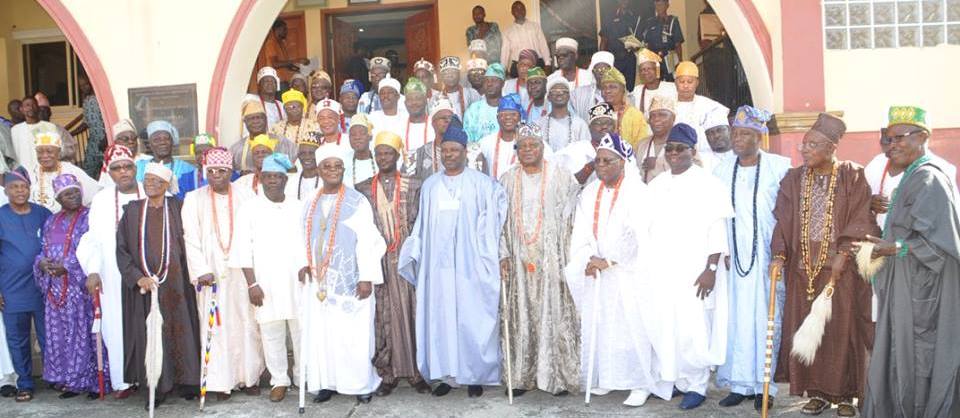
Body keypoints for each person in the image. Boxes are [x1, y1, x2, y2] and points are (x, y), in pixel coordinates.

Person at [770, 113, 878, 417]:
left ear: (832, 147)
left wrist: (844, 253)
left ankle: (846, 395)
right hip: (803, 269)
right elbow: (782, 221)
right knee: (807, 329)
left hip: (841, 270)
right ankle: (816, 393)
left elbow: (861, 218)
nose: (803, 150)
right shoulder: (793, 179)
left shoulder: (852, 175)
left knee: (841, 330)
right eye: (803, 145)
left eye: (812, 145)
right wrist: (778, 254)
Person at [857, 106, 960, 418]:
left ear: (923, 137)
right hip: (908, 287)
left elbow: (942, 244)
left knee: (919, 360)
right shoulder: (912, 175)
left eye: (899, 138)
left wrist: (894, 249)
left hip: (924, 294)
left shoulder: (929, 179)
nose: (891, 146)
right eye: (888, 139)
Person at [398, 114, 507, 398]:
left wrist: (492, 255)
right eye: (445, 151)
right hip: (439, 269)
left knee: (471, 318)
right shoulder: (431, 186)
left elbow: (496, 215)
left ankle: (474, 376)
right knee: (441, 319)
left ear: (464, 152)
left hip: (471, 267)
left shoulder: (482, 184)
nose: (449, 155)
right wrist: (414, 254)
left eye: (455, 150)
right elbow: (421, 225)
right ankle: (445, 374)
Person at [565, 133, 672, 406]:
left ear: (622, 163)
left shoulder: (638, 192)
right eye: (598, 160)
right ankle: (610, 378)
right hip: (598, 272)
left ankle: (640, 382)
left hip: (630, 273)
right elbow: (581, 230)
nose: (600, 165)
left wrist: (611, 260)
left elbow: (640, 234)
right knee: (602, 326)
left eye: (606, 161)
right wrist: (589, 257)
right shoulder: (589, 193)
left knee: (633, 326)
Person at [646, 123, 732, 410]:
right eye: (669, 148)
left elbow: (717, 228)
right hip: (663, 269)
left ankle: (696, 385)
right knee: (666, 324)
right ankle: (673, 380)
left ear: (692, 151)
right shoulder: (657, 184)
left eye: (679, 148)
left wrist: (711, 269)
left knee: (694, 327)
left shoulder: (708, 184)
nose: (673, 153)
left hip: (696, 270)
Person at [713, 106, 792, 411]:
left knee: (765, 318)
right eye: (735, 133)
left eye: (746, 133)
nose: (738, 139)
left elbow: (787, 215)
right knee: (735, 319)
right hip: (733, 258)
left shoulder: (780, 168)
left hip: (767, 257)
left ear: (761, 137)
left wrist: (781, 253)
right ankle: (740, 382)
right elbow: (715, 214)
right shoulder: (721, 168)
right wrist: (722, 251)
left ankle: (764, 385)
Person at [301, 145, 386, 404]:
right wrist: (302, 264)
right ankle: (327, 383)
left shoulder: (356, 201)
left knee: (354, 336)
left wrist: (366, 277)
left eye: (338, 166)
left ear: (343, 169)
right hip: (320, 283)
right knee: (323, 336)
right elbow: (300, 239)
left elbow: (369, 240)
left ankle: (360, 384)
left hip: (351, 281)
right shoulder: (308, 203)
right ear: (318, 170)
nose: (333, 171)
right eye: (327, 166)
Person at [499, 124, 580, 396]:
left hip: (551, 256)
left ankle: (554, 377)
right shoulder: (507, 179)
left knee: (552, 313)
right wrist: (504, 254)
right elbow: (500, 222)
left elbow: (571, 217)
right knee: (520, 315)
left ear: (543, 148)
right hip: (519, 257)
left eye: (533, 145)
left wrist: (566, 255)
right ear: (517, 151)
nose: (528, 150)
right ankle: (521, 377)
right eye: (523, 146)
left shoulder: (561, 176)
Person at [182, 147, 264, 400]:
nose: (216, 175)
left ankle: (249, 377)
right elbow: (190, 238)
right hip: (211, 273)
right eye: (212, 171)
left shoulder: (246, 196)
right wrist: (202, 270)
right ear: (206, 172)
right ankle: (220, 382)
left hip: (242, 273)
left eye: (222, 171)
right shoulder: (194, 199)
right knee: (215, 327)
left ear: (231, 172)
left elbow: (255, 235)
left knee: (247, 324)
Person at [116, 162, 201, 408]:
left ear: (166, 185)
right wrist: (136, 277)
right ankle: (157, 387)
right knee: (150, 334)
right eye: (148, 179)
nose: (151, 184)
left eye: (157, 181)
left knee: (181, 329)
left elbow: (191, 241)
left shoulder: (177, 207)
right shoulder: (132, 211)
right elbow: (121, 250)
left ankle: (187, 381)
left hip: (177, 284)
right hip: (145, 286)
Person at [354, 132, 430, 396]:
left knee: (413, 313)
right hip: (379, 262)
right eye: (379, 154)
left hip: (408, 260)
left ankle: (417, 372)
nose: (383, 157)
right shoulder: (363, 189)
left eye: (388, 153)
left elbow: (422, 223)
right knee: (383, 316)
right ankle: (387, 375)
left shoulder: (416, 184)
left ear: (398, 156)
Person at [231, 153, 306, 403]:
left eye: (278, 177)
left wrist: (307, 266)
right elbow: (242, 248)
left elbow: (308, 242)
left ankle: (303, 377)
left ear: (286, 180)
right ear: (261, 179)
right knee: (271, 331)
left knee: (301, 331)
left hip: (298, 280)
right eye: (268, 177)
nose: (273, 181)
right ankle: (279, 380)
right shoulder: (249, 209)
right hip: (265, 282)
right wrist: (252, 283)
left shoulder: (298, 206)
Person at [75, 145, 142, 398]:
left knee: (148, 323)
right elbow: (92, 239)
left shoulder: (149, 191)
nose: (123, 172)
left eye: (127, 167)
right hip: (112, 273)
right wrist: (93, 271)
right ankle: (123, 381)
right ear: (109, 172)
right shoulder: (102, 200)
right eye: (117, 168)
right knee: (115, 325)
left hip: (146, 271)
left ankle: (150, 378)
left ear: (135, 168)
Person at [34, 174, 104, 398]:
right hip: (56, 289)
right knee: (64, 337)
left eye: (75, 191)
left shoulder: (90, 217)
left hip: (81, 287)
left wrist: (68, 266)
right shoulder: (50, 221)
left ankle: (95, 382)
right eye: (67, 194)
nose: (73, 196)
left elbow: (95, 247)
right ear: (58, 198)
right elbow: (43, 249)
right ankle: (73, 381)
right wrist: (42, 263)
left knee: (87, 334)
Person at [0, 167, 52, 402]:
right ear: (6, 190)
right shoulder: (0, 215)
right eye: (14, 187)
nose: (20, 191)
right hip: (11, 289)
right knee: (18, 338)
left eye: (23, 187)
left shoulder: (43, 213)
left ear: (29, 189)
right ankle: (25, 383)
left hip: (42, 287)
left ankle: (54, 377)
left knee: (48, 334)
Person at [865, 127, 957, 228]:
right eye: (886, 137)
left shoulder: (941, 169)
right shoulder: (878, 163)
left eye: (898, 137)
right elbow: (860, 198)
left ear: (921, 137)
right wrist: (870, 203)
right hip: (879, 238)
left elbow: (948, 222)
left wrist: (901, 244)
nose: (891, 143)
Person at [29, 126, 100, 212]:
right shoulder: (31, 173)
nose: (44, 156)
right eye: (40, 152)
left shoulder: (71, 170)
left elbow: (95, 194)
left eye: (49, 151)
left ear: (59, 152)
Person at [10, 97, 77, 174]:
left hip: (46, 171)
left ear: (38, 108)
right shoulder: (15, 130)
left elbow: (59, 149)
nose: (31, 108)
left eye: (33, 105)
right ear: (21, 109)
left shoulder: (49, 127)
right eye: (27, 105)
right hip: (23, 172)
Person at [674, 61, 728, 157]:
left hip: (707, 159)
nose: (686, 86)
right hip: (677, 159)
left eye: (690, 82)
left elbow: (722, 141)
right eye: (682, 82)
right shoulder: (667, 108)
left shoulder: (710, 107)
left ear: (697, 83)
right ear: (676, 83)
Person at [553, 102, 614, 185]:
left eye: (608, 123)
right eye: (598, 123)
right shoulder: (577, 149)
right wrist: (592, 165)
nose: (604, 127)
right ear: (590, 128)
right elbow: (568, 182)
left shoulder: (622, 149)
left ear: (614, 127)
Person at [134, 121, 196, 199]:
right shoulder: (138, 167)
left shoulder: (188, 169)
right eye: (156, 140)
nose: (162, 142)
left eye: (166, 138)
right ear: (149, 144)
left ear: (172, 141)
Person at [231, 100, 297, 173]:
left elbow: (297, 165)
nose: (256, 121)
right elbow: (230, 174)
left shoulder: (282, 142)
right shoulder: (237, 149)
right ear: (245, 122)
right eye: (251, 119)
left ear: (266, 119)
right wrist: (241, 173)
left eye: (259, 117)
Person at [479, 94, 530, 180]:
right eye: (503, 114)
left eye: (513, 114)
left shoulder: (530, 143)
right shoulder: (486, 143)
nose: (508, 117)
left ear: (520, 117)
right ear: (497, 118)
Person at [600, 68, 651, 149]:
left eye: (612, 87)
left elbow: (641, 145)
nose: (607, 91)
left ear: (623, 90)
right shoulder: (597, 114)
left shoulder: (635, 115)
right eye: (604, 87)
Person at [536, 77, 590, 151]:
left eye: (564, 91)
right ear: (548, 97)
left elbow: (586, 151)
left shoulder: (580, 124)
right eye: (554, 91)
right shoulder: (539, 124)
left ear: (568, 96)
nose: (559, 94)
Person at [408, 99, 455, 182]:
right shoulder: (420, 154)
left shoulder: (468, 152)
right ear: (433, 123)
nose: (448, 120)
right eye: (443, 118)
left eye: (451, 118)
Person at [599, 0, 641, 91]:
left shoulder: (634, 17)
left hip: (630, 58)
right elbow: (604, 40)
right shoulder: (609, 17)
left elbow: (639, 41)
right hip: (614, 59)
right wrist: (601, 60)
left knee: (629, 88)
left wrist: (636, 45)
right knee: (614, 87)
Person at [638, 0, 684, 81]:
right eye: (657, 4)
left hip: (669, 58)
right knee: (655, 83)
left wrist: (680, 62)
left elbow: (678, 44)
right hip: (654, 59)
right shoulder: (650, 22)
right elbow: (646, 44)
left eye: (661, 4)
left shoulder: (673, 21)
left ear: (667, 5)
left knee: (670, 84)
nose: (659, 7)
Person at [500, 1, 550, 75]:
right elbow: (505, 52)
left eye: (522, 9)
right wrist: (503, 69)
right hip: (518, 67)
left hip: (537, 64)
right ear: (512, 12)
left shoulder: (535, 27)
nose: (519, 11)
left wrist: (547, 63)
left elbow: (543, 45)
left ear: (525, 10)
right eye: (516, 9)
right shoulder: (507, 32)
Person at [635, 95, 675, 183]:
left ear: (673, 119)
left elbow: (693, 170)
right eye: (652, 116)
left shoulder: (683, 144)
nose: (656, 119)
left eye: (662, 115)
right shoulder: (641, 144)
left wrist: (659, 164)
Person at [464, 63, 506, 142]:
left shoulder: (511, 109)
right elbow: (468, 138)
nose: (489, 84)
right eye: (486, 80)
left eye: (494, 80)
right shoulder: (474, 110)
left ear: (503, 83)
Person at [632, 48, 677, 115]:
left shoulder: (671, 88)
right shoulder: (637, 91)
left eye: (649, 68)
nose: (646, 72)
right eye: (642, 70)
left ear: (657, 70)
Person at [79, 74, 106, 179]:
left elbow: (108, 118)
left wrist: (106, 138)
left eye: (86, 84)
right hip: (93, 143)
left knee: (108, 172)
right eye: (81, 86)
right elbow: (86, 122)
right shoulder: (86, 101)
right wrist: (69, 133)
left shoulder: (101, 99)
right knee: (87, 172)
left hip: (105, 142)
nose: (84, 87)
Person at [286, 130, 322, 201]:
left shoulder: (326, 181)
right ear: (298, 156)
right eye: (303, 153)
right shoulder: (291, 181)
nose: (307, 157)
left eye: (311, 153)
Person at [400, 78, 433, 156]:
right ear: (405, 103)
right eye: (410, 99)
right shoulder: (399, 125)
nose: (414, 102)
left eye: (418, 98)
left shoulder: (435, 124)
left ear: (425, 101)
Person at [344, 113, 377, 188]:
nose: (357, 137)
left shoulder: (380, 159)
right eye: (353, 134)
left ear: (370, 137)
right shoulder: (344, 161)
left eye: (362, 133)